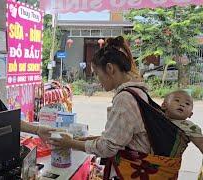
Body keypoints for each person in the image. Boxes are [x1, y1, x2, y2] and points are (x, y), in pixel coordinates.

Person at [50, 36, 195, 179]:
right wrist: (81, 140)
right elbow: (121, 138)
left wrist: (70, 143)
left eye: (97, 74)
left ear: (110, 68)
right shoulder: (138, 92)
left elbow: (108, 147)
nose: (98, 80)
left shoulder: (125, 98)